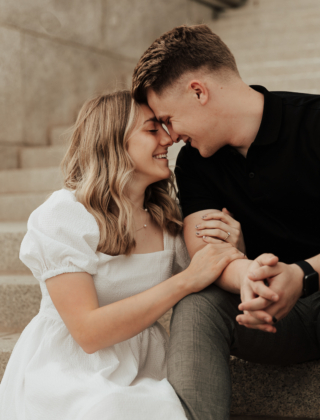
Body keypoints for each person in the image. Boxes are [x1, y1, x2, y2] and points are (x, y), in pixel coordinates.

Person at [0, 90, 247, 420]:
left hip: (146, 360)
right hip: (70, 363)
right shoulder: (64, 216)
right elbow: (87, 333)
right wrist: (186, 280)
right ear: (113, 141)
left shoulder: (168, 223)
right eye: (152, 130)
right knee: (108, 410)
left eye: (165, 128)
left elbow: (213, 278)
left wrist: (235, 245)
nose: (169, 138)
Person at [131, 24, 320, 420]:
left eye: (168, 118)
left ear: (199, 92)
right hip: (277, 314)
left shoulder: (314, 122)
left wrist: (302, 274)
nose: (170, 135)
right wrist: (249, 274)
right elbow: (206, 253)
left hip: (308, 280)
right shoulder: (196, 164)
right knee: (198, 302)